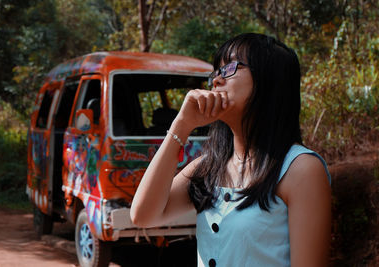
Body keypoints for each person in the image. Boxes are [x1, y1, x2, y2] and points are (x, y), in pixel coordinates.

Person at [130, 33, 332, 267]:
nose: (216, 80)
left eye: (230, 68)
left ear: (269, 80)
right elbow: (143, 215)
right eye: (216, 71)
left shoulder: (301, 170)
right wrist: (180, 126)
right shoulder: (209, 167)